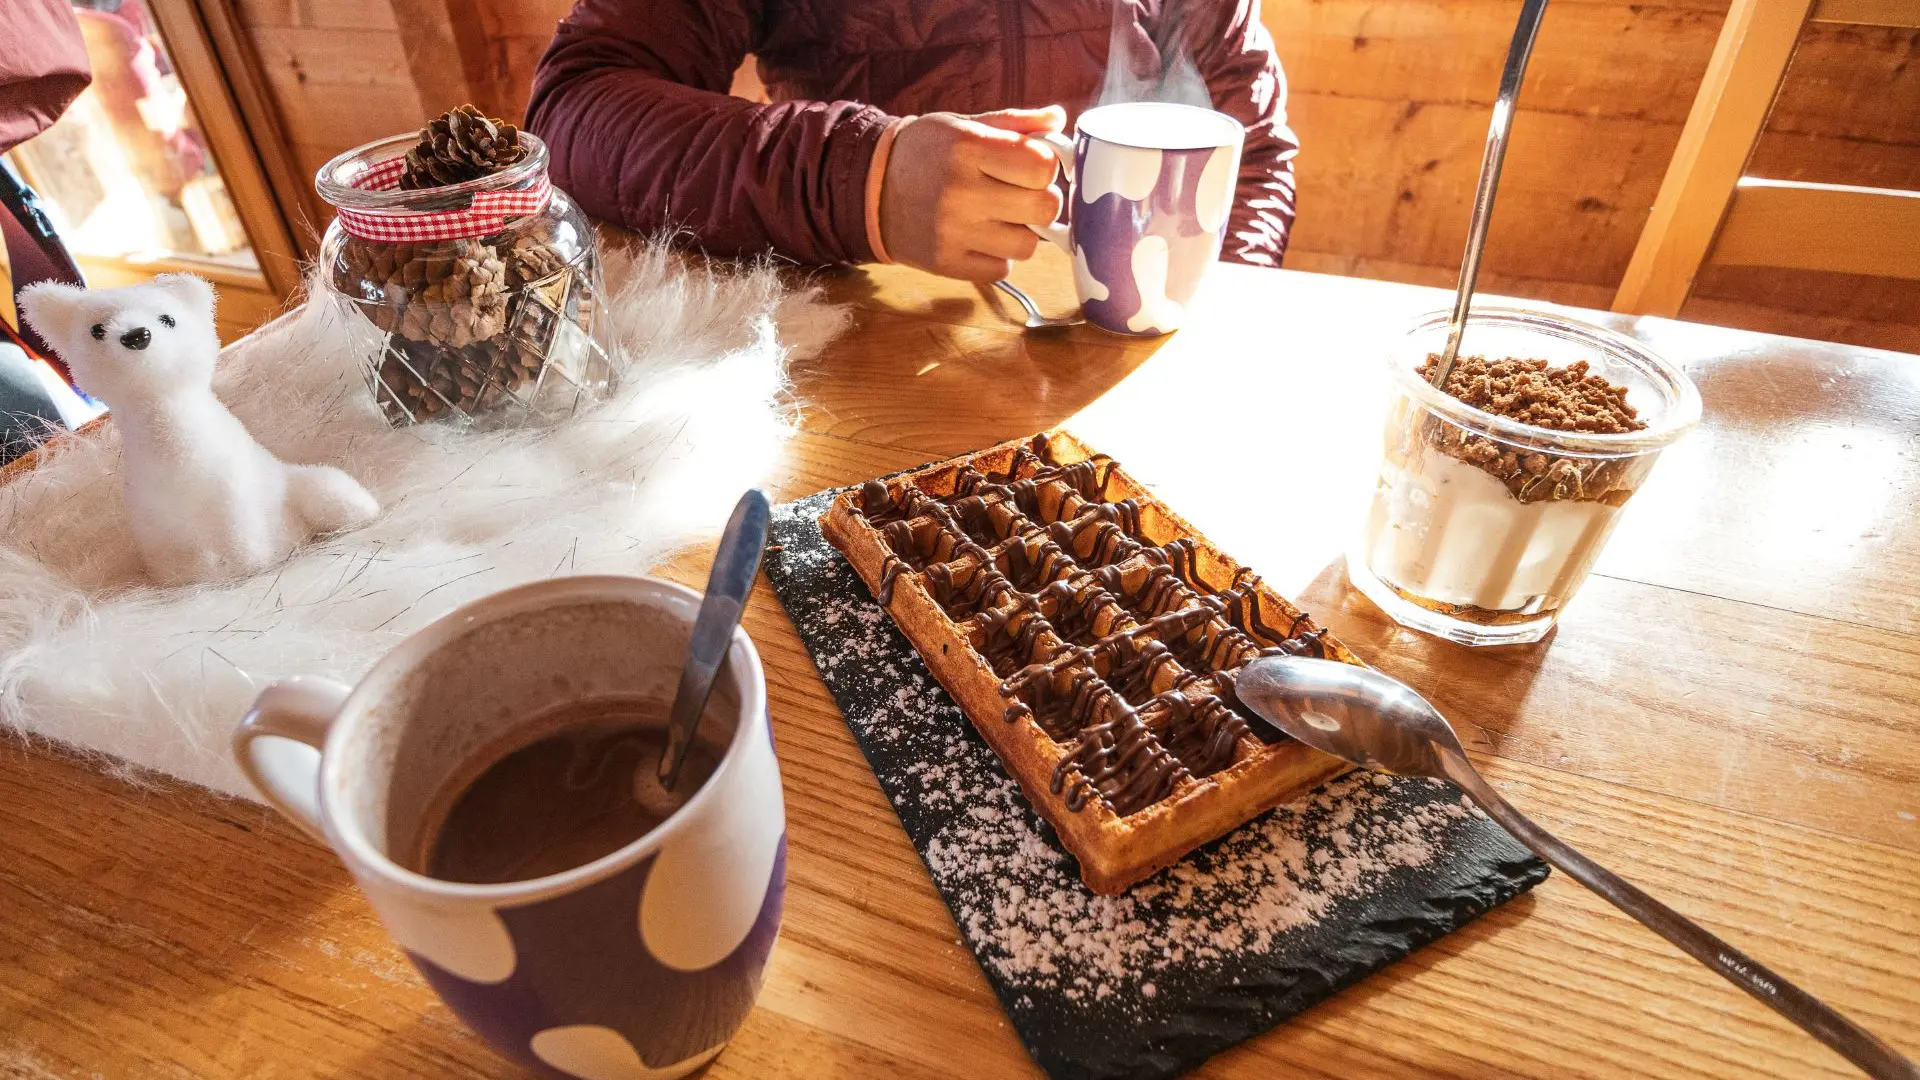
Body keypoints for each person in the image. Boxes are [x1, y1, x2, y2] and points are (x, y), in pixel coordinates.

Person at [527, 0, 1296, 283]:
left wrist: (1207, 304)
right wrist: (860, 180)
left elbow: (1252, 150)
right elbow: (574, 107)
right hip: (858, 349)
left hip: (1111, 366)